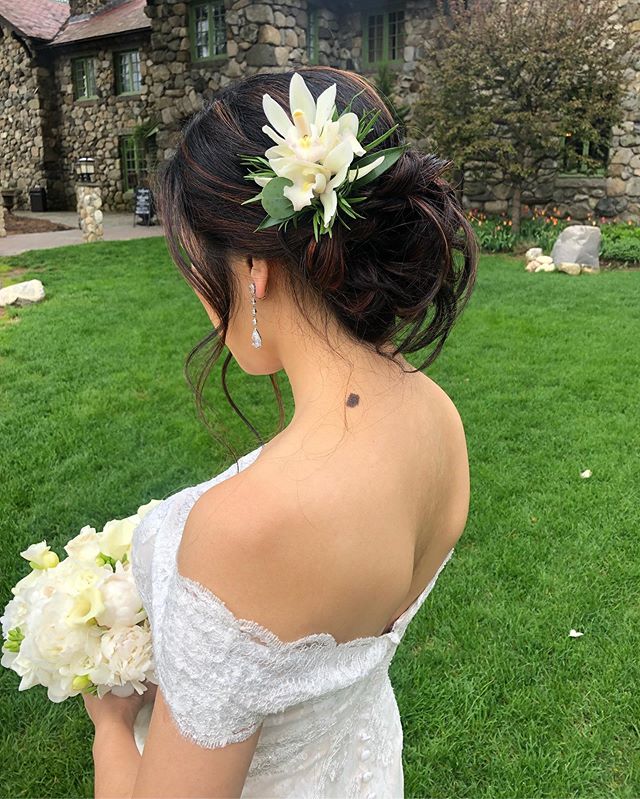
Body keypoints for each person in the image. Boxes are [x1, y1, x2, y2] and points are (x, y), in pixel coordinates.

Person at [82, 66, 478, 798]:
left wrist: (110, 724)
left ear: (255, 268)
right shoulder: (439, 419)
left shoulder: (249, 528)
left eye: (199, 267)